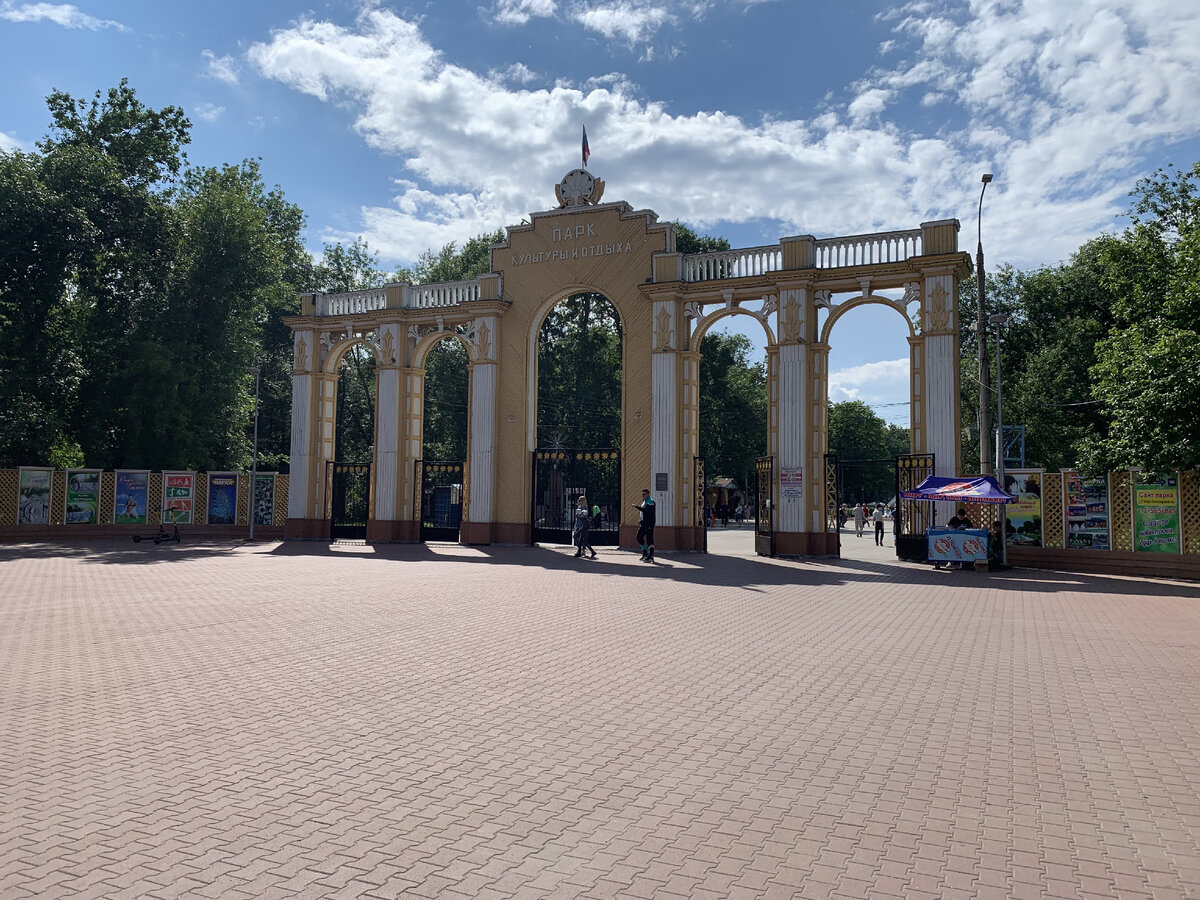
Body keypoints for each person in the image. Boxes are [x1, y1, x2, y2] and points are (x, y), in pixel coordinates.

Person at [634, 488, 656, 562]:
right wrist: (641, 520)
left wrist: (637, 507)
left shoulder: (651, 501)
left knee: (649, 539)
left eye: (644, 494)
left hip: (649, 524)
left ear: (648, 494)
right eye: (642, 494)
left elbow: (646, 511)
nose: (643, 495)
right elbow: (644, 514)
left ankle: (651, 556)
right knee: (639, 537)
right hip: (644, 523)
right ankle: (645, 553)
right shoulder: (645, 501)